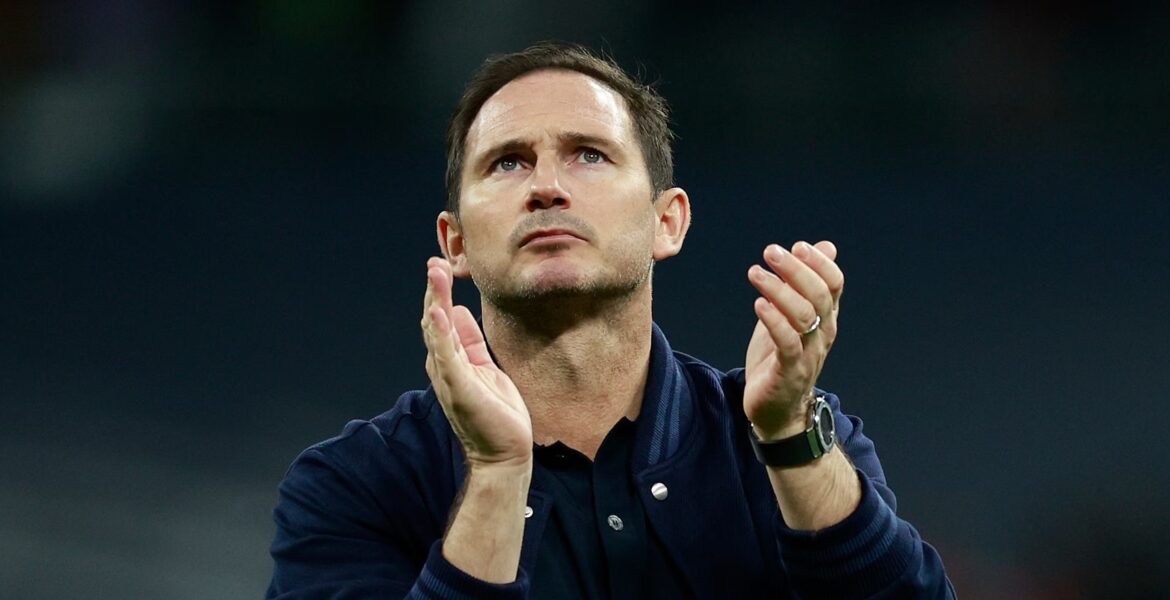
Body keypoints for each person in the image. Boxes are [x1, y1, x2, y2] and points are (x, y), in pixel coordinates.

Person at [266, 42, 954, 599]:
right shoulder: (353, 484)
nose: (546, 186)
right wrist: (498, 475)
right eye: (508, 162)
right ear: (457, 243)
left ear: (667, 221)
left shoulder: (788, 438)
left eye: (589, 154)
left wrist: (789, 438)